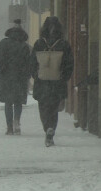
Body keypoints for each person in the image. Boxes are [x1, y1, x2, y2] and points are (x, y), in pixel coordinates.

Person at [30, 16, 74, 147]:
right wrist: (64, 77)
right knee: (54, 108)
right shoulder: (64, 44)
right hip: (57, 82)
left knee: (43, 107)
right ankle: (52, 129)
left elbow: (32, 63)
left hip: (42, 82)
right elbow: (69, 64)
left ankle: (46, 128)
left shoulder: (39, 43)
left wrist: (36, 75)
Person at [0, 19, 30, 135]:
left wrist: (2, 65)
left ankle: (9, 127)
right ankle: (17, 122)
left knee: (8, 102)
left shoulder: (3, 43)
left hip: (6, 76)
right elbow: (29, 62)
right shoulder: (24, 46)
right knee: (18, 101)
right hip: (20, 76)